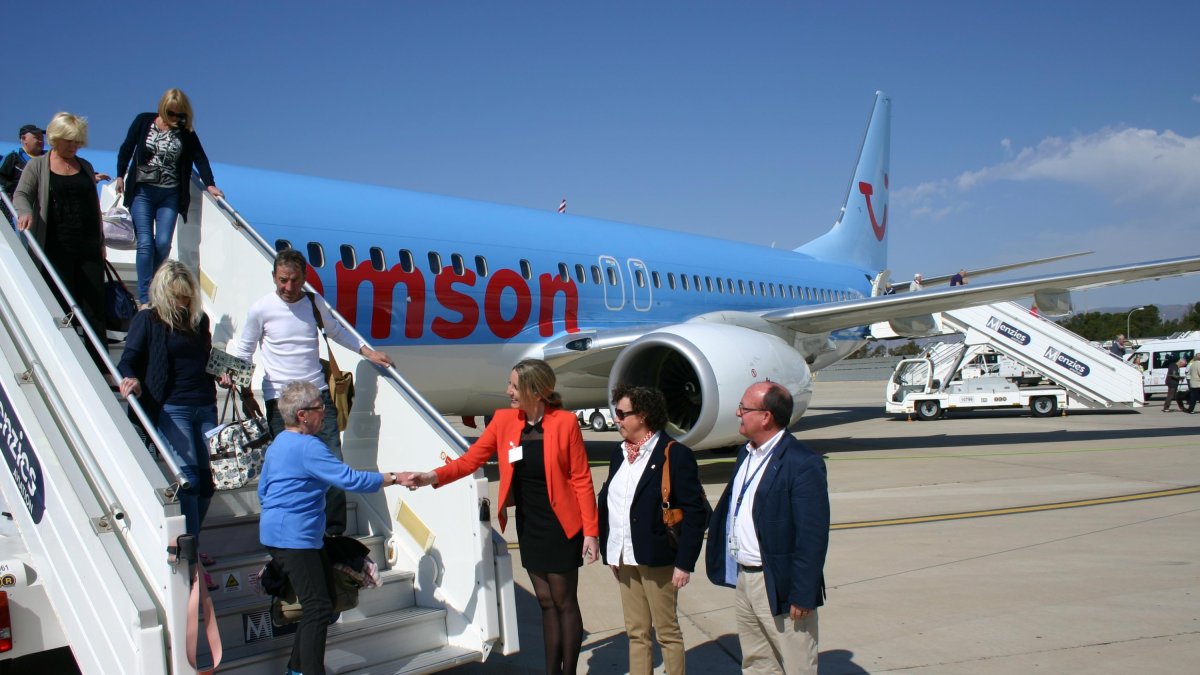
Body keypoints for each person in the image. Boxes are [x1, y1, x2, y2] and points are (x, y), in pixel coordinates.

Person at [400, 359, 599, 675]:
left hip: (561, 525)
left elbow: (581, 479)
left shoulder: (565, 423)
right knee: (545, 602)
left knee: (564, 602)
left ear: (535, 391)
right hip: (529, 524)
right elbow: (470, 461)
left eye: (514, 386)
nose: (508, 391)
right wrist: (430, 477)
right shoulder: (504, 421)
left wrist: (591, 532)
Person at [226, 248, 393, 537]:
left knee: (333, 461)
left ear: (304, 278)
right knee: (288, 466)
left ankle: (334, 532)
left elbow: (337, 331)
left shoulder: (314, 303)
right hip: (281, 401)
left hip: (317, 397)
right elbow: (244, 352)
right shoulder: (261, 309)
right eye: (282, 280)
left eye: (294, 280)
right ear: (274, 277)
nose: (288, 287)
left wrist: (367, 352)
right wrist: (242, 389)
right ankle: (293, 527)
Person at [259, 380, 404, 675]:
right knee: (318, 607)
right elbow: (350, 479)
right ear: (302, 415)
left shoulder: (279, 443)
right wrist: (393, 478)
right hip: (295, 538)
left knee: (319, 603)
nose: (324, 412)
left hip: (282, 534)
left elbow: (263, 491)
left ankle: (296, 670)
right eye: (319, 407)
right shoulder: (308, 447)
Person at [706, 382, 830, 675]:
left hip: (778, 582)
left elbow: (812, 536)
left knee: (798, 664)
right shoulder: (746, 455)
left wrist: (803, 593)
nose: (738, 413)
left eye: (744, 408)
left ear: (766, 417)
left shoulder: (802, 462)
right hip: (745, 579)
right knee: (757, 663)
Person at [597, 384, 707, 675]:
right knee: (636, 631)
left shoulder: (675, 454)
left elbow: (695, 513)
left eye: (622, 413)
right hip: (625, 557)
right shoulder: (619, 453)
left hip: (658, 558)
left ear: (643, 415)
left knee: (666, 632)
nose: (617, 419)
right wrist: (612, 549)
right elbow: (612, 502)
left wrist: (684, 563)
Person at [118, 261, 218, 548]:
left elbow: (205, 361)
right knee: (189, 481)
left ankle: (191, 545)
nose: (182, 302)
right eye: (176, 295)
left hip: (205, 405)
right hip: (172, 408)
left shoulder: (199, 321)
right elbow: (127, 359)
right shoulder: (148, 319)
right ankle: (191, 555)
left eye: (186, 296)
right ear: (163, 292)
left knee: (208, 485)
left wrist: (222, 374)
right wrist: (131, 379)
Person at [116, 88, 224, 305]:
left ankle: (155, 286)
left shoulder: (186, 133)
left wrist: (210, 184)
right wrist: (120, 175)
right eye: (171, 114)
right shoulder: (143, 121)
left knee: (163, 243)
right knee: (145, 242)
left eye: (180, 115)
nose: (175, 119)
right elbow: (127, 148)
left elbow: (200, 158)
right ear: (162, 108)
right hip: (143, 192)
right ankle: (145, 297)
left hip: (170, 194)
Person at [13, 113, 107, 350]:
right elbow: (21, 194)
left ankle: (100, 362)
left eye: (78, 141)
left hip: (89, 247)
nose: (74, 146)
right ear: (56, 138)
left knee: (95, 307)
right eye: (69, 141)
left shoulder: (85, 166)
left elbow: (93, 206)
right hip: (56, 247)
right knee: (62, 303)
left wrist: (102, 242)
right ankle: (66, 353)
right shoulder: (37, 165)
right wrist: (25, 212)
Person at [1, 124, 45, 203]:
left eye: (42, 138)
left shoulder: (49, 158)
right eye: (37, 138)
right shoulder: (13, 158)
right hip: (18, 203)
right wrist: (14, 188)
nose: (41, 141)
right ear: (24, 138)